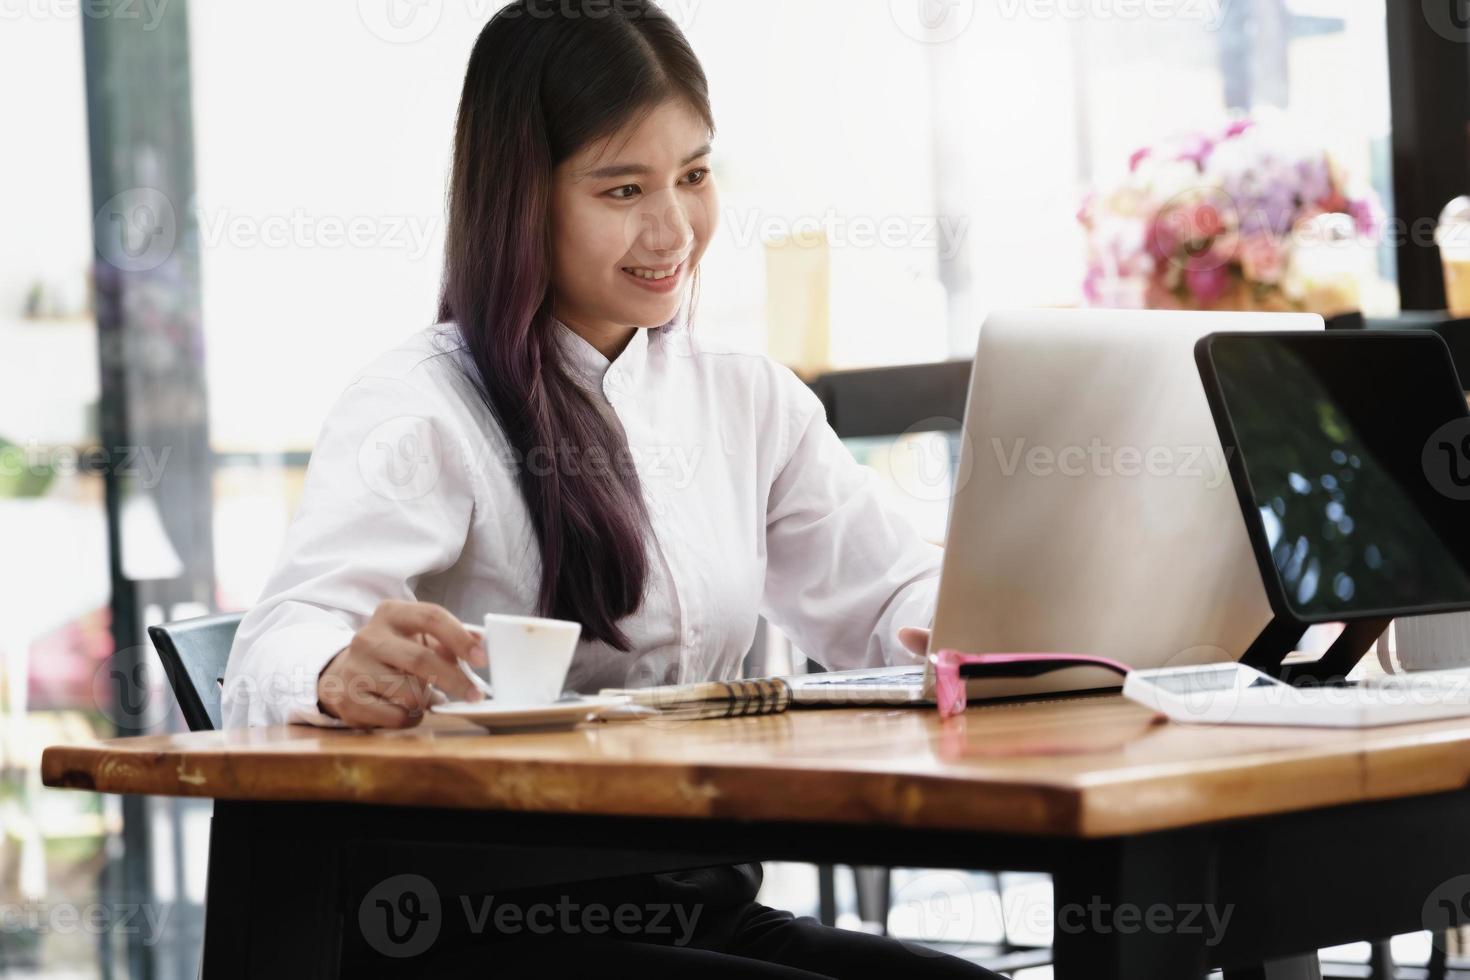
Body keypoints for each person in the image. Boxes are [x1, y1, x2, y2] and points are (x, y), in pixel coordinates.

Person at [222, 2, 997, 976]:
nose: (673, 228)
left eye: (695, 175)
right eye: (623, 187)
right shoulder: (420, 404)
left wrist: (990, 620)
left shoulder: (744, 396)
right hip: (482, 929)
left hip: (698, 902)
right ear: (521, 198)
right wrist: (337, 669)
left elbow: (885, 596)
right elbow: (275, 643)